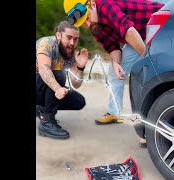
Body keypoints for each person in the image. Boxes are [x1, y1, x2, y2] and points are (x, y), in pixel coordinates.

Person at [63, 0, 163, 147]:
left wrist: (147, 61)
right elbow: (112, 47)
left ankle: (154, 128)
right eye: (82, 24)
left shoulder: (106, 4)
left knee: (146, 75)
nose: (88, 25)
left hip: (159, 24)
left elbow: (128, 30)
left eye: (87, 18)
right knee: (114, 72)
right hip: (139, 35)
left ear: (92, 4)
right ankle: (115, 113)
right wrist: (116, 63)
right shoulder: (95, 27)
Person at [36, 20, 89, 140]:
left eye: (75, 39)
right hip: (38, 80)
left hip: (40, 87)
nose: (72, 42)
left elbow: (76, 84)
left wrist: (80, 67)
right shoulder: (47, 43)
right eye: (69, 37)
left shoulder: (70, 53)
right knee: (59, 75)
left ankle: (40, 108)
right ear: (58, 35)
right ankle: (46, 122)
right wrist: (58, 88)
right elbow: (44, 70)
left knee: (78, 101)